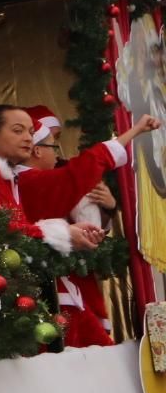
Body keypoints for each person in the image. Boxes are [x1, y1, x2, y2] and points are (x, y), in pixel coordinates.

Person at [0, 104, 158, 257]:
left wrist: (67, 231)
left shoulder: (4, 176)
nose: (28, 138)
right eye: (18, 131)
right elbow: (5, 230)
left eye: (30, 132)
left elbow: (18, 228)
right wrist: (64, 233)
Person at [26, 105, 120, 347]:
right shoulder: (46, 178)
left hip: (77, 266)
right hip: (52, 268)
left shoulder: (66, 170)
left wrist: (109, 207)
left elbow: (93, 225)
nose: (57, 148)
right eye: (52, 140)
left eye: (57, 138)